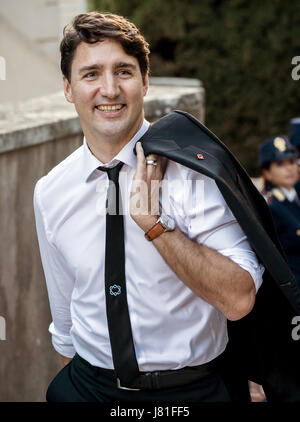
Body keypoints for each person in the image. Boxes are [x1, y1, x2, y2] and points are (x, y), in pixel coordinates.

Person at [33, 12, 265, 402]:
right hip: (89, 388)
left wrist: (155, 224)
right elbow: (66, 320)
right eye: (91, 74)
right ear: (68, 88)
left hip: (192, 392)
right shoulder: (50, 191)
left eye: (123, 71)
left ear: (144, 80)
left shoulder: (197, 172)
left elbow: (239, 299)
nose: (109, 89)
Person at [258, 135, 300, 287]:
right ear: (267, 172)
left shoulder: (295, 195)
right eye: (280, 164)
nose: (289, 168)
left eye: (291, 161)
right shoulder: (271, 206)